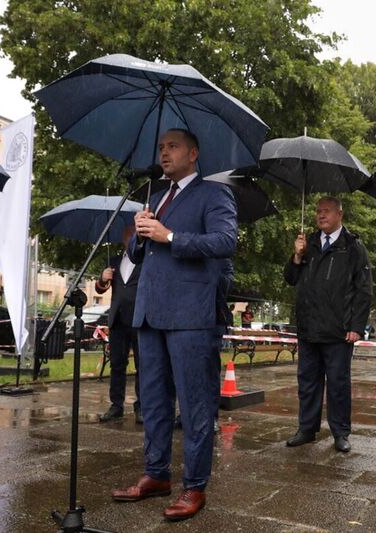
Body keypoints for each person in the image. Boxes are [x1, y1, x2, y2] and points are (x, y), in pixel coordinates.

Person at [111, 128, 237, 521]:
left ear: (193, 153)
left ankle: (194, 486)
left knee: (196, 403)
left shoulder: (214, 194)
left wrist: (171, 235)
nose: (164, 153)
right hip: (150, 313)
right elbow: (139, 251)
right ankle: (156, 473)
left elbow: (224, 241)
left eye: (173, 146)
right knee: (153, 399)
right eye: (161, 147)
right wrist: (140, 231)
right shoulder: (156, 197)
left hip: (190, 317)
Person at [283, 196, 372, 453]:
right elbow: (290, 278)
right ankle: (306, 429)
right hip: (309, 329)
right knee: (307, 382)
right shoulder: (308, 243)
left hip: (338, 331)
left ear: (339, 215)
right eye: (318, 211)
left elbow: (363, 290)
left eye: (327, 211)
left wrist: (356, 326)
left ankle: (340, 432)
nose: (321, 215)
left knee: (338, 384)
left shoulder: (353, 246)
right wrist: (297, 256)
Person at [95, 225, 142, 423]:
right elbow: (100, 290)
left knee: (144, 365)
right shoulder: (113, 262)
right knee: (117, 364)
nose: (129, 237)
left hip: (140, 320)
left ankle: (142, 407)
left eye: (133, 234)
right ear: (123, 239)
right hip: (118, 321)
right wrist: (102, 279)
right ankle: (116, 405)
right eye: (127, 234)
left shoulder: (145, 260)